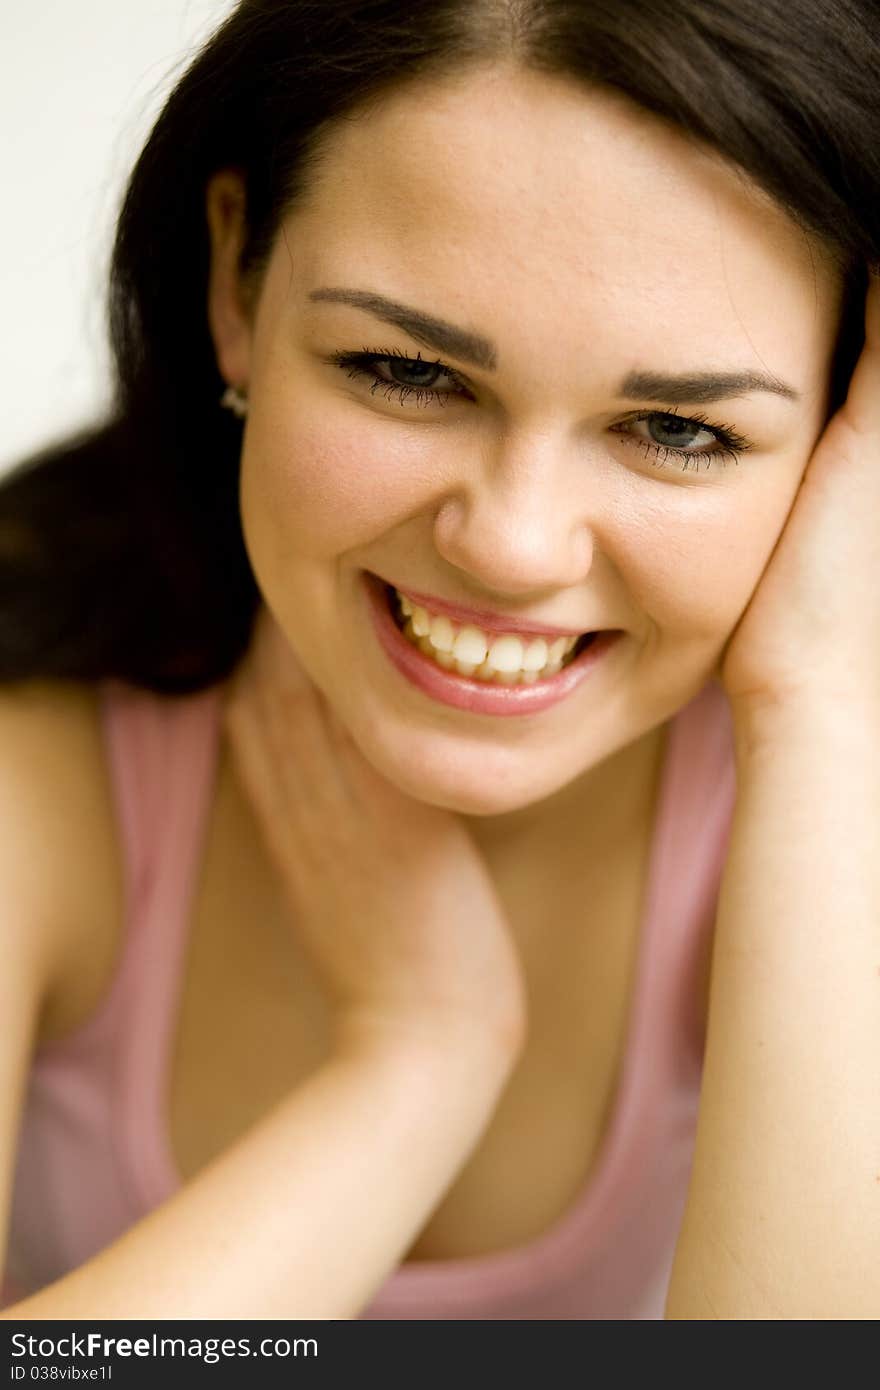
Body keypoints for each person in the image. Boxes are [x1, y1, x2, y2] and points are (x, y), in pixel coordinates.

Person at [0, 0, 877, 1321]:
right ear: (237, 281)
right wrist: (414, 1065)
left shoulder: (821, 791)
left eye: (679, 430)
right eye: (406, 370)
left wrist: (821, 703)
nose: (516, 545)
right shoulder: (36, 746)